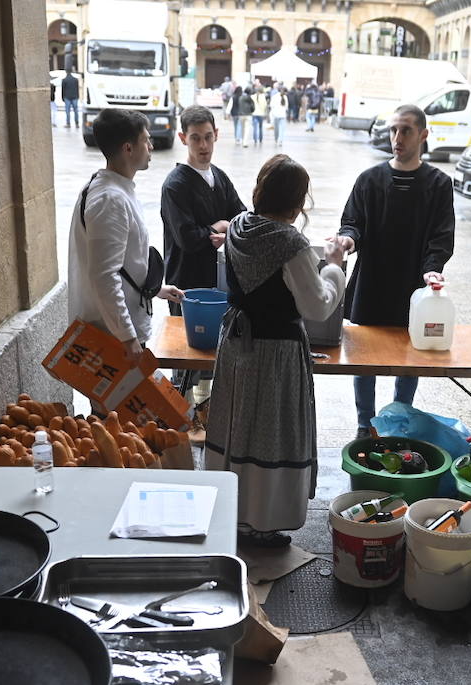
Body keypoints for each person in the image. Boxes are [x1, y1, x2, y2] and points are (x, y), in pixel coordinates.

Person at [207, 154, 346, 548]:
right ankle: (263, 522)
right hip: (275, 353)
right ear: (297, 201)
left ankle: (234, 515)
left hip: (236, 345)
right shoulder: (291, 244)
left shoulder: (238, 228)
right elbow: (317, 306)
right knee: (269, 433)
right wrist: (334, 266)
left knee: (237, 427)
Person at [331, 103, 455, 438]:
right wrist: (347, 242)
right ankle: (365, 426)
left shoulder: (438, 184)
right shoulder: (369, 180)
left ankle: (400, 424)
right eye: (393, 130)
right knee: (364, 359)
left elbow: (441, 236)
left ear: (423, 135)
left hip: (413, 288)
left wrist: (432, 270)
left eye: (406, 130)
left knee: (409, 358)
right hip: (372, 283)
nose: (397, 138)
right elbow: (352, 223)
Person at [68, 109, 184, 363]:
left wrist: (155, 290)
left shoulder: (112, 189)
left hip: (116, 329)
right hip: (112, 336)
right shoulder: (110, 200)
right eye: (146, 140)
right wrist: (128, 338)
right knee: (113, 404)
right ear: (128, 148)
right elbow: (104, 275)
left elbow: (121, 263)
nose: (152, 146)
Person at [160, 105, 247, 394]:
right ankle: (182, 415)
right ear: (183, 138)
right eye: (196, 138)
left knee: (214, 351)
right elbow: (186, 236)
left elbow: (242, 216)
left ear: (217, 135)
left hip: (217, 280)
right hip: (185, 282)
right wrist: (216, 229)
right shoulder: (176, 184)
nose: (203, 145)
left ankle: (205, 411)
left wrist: (226, 229)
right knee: (186, 354)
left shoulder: (219, 177)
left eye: (208, 137)